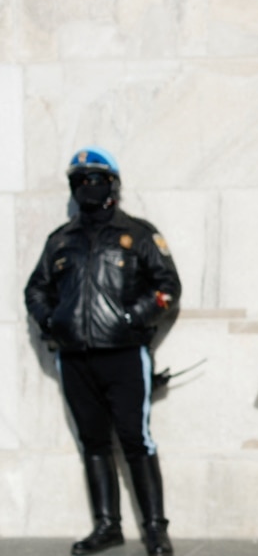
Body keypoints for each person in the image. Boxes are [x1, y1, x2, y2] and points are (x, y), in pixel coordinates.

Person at [24, 146, 182, 556]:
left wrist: (133, 319)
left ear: (111, 185)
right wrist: (51, 320)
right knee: (93, 442)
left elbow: (167, 286)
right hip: (75, 355)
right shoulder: (61, 240)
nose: (86, 188)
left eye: (95, 180)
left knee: (136, 439)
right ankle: (107, 526)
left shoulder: (138, 233)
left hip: (124, 354)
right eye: (79, 182)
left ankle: (154, 529)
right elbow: (35, 289)